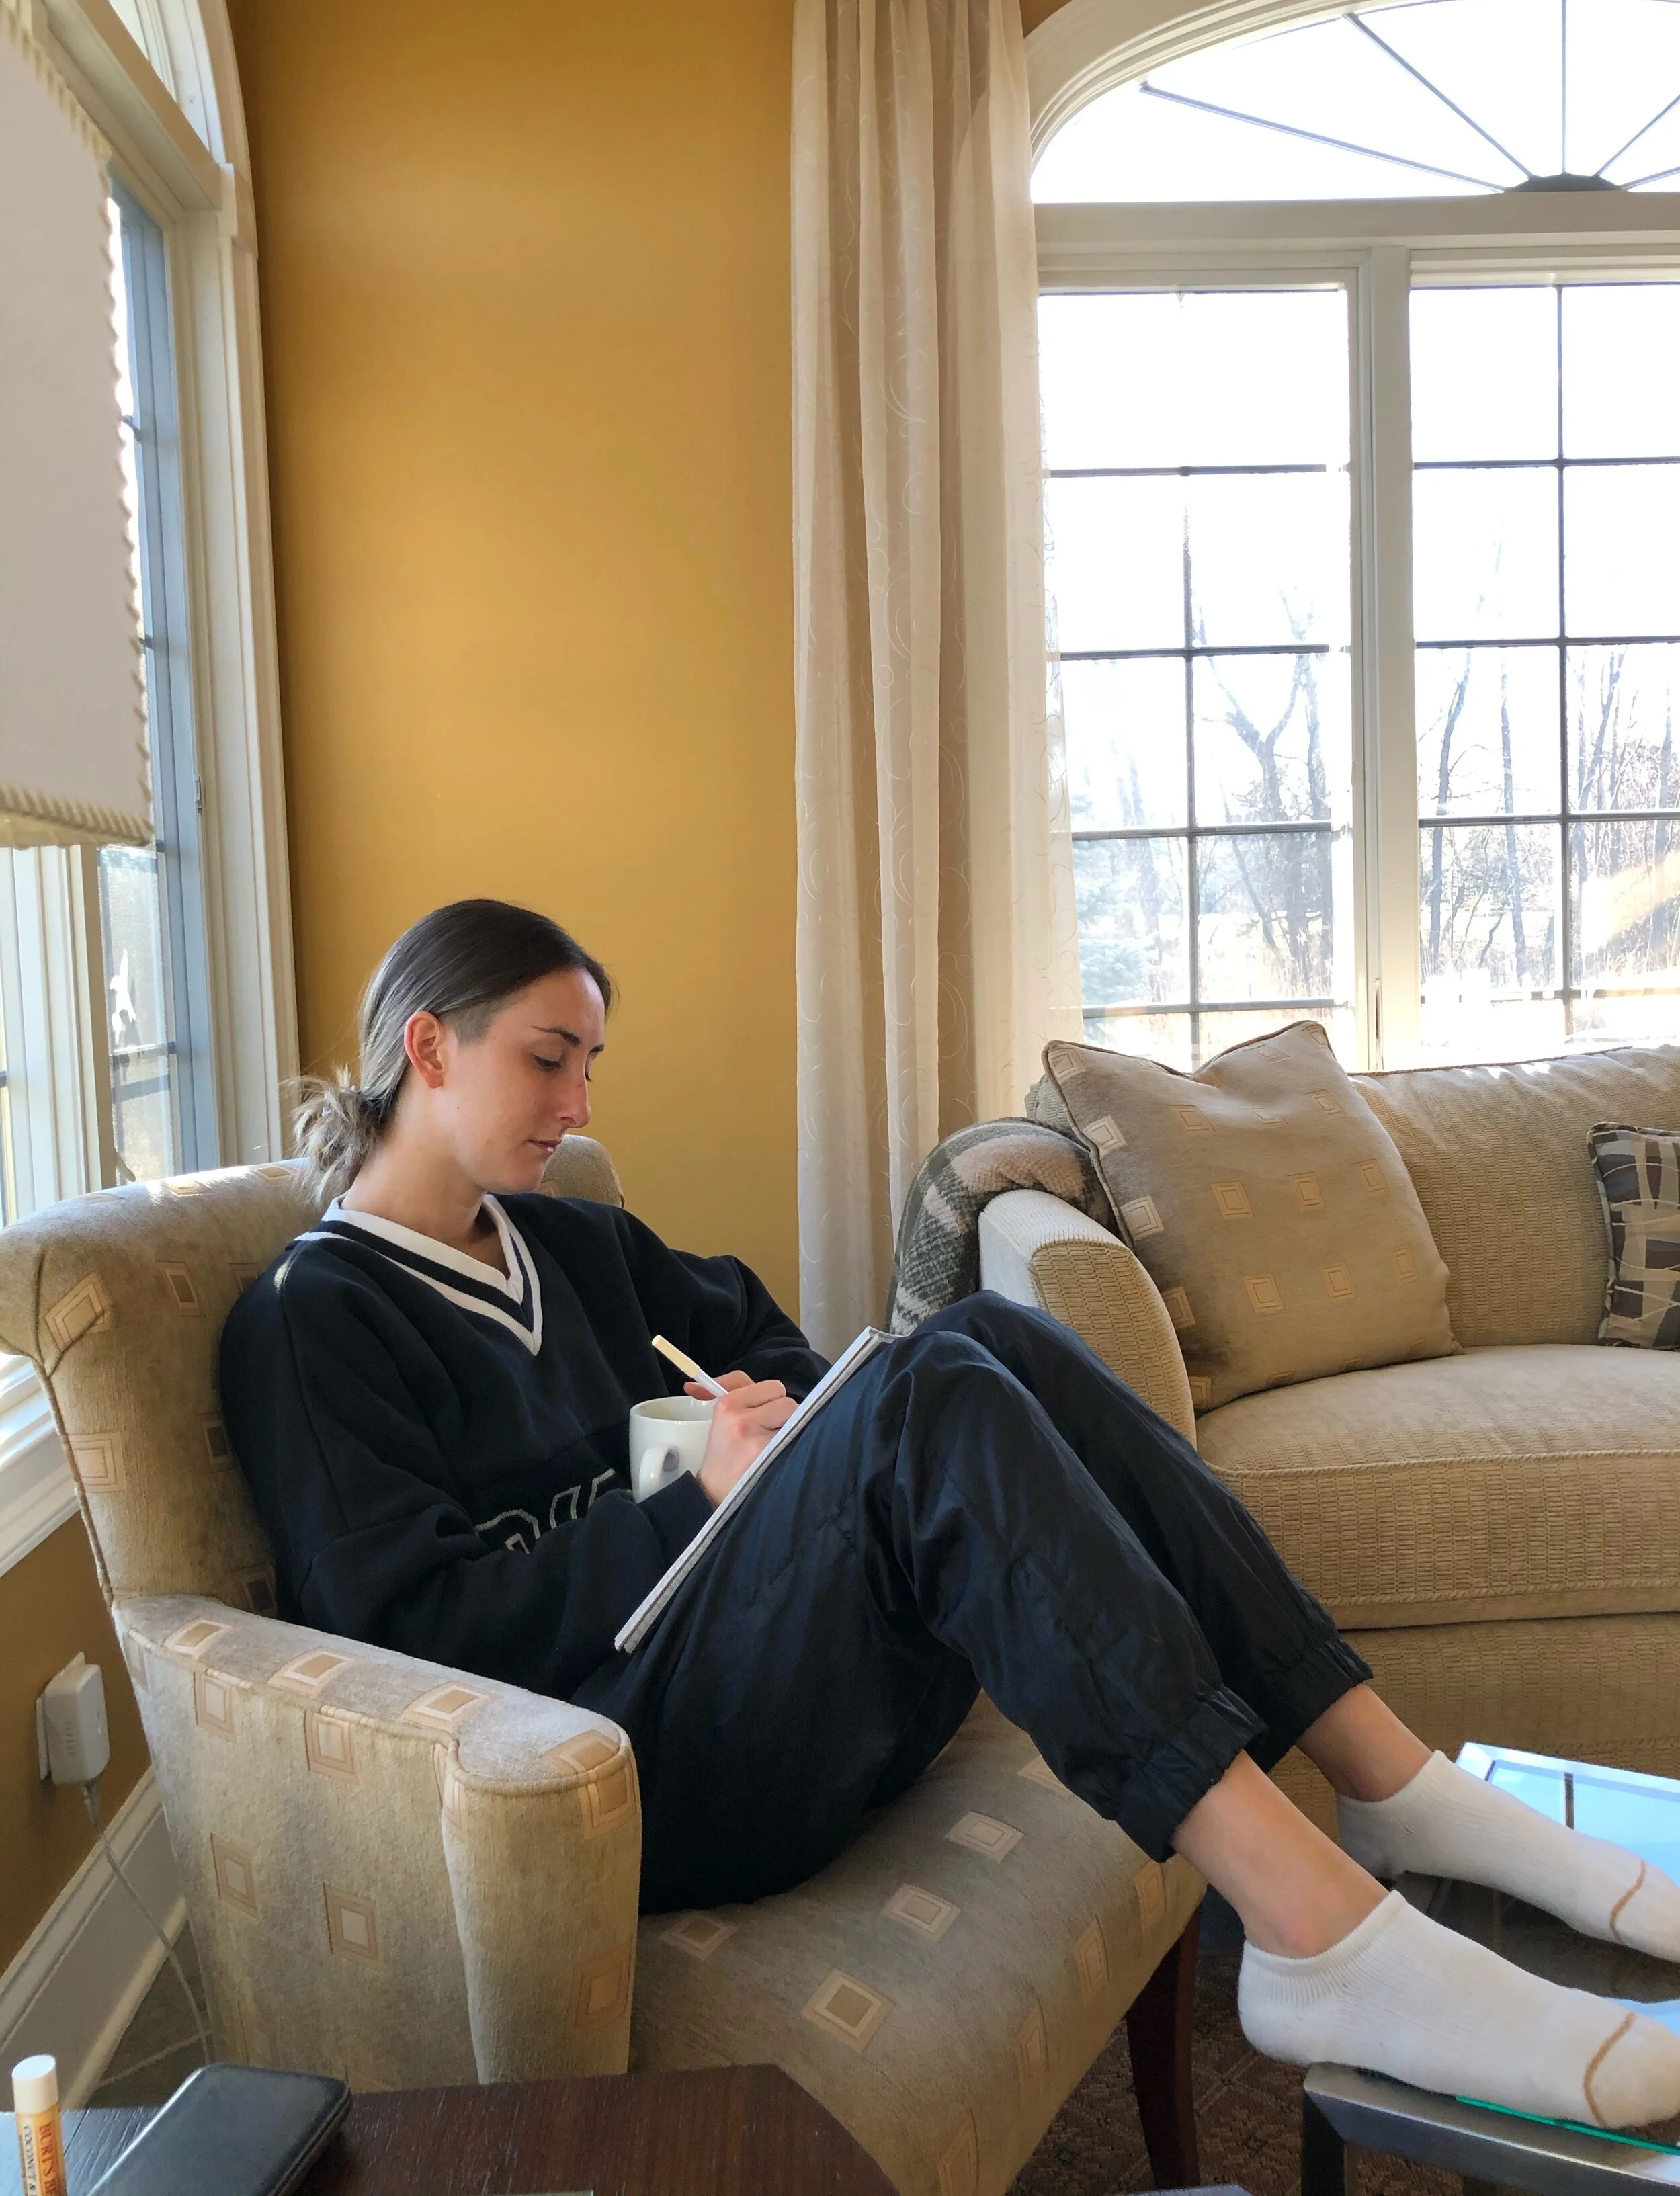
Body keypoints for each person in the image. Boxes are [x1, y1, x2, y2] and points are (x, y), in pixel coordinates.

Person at [222, 898, 1680, 2132]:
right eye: (549, 1060)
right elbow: (406, 1630)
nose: (580, 1106)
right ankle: (1312, 1936)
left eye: (590, 1065)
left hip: (781, 1685)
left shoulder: (576, 1241)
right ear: (430, 1047)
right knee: (924, 1394)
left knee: (989, 1339)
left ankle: (1384, 1775)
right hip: (624, 1772)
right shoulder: (312, 1318)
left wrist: (743, 1429)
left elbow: (787, 1355)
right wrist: (683, 1484)